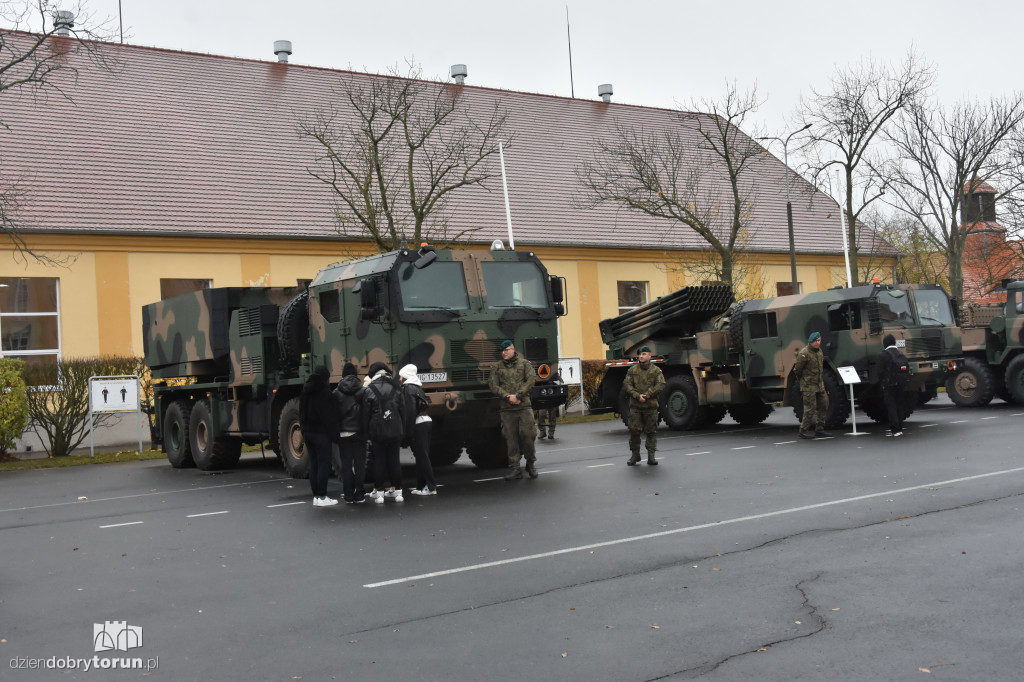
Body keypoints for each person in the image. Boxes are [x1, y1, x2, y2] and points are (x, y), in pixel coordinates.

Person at [488, 339, 538, 480]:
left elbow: (531, 381)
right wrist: (507, 396)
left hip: (523, 407)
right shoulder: (496, 367)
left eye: (507, 350)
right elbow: (493, 385)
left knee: (529, 436)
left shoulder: (525, 364)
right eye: (502, 351)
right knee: (511, 439)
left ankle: (530, 463)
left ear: (513, 349)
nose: (504, 353)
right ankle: (515, 468)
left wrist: (518, 395)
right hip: (507, 409)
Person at [362, 361, 405, 504]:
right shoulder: (397, 387)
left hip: (377, 430)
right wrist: (402, 427)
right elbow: (402, 410)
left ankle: (379, 492)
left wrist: (367, 431)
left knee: (379, 460)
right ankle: (397, 491)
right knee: (394, 460)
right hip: (394, 428)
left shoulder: (370, 388)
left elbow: (366, 412)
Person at [299, 365, 341, 507]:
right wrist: (335, 435)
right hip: (321, 434)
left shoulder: (305, 391)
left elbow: (301, 413)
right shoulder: (325, 393)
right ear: (325, 378)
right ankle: (322, 496)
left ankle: (316, 496)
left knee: (314, 464)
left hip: (307, 433)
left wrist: (304, 430)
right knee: (324, 464)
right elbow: (329, 417)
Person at [399, 364, 438, 496]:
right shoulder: (417, 387)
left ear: (405, 377)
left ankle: (431, 486)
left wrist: (407, 433)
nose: (399, 379)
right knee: (421, 455)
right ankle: (421, 486)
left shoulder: (407, 389)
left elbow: (410, 412)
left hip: (418, 423)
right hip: (426, 421)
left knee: (422, 455)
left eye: (401, 376)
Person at [623, 345, 665, 465]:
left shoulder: (656, 370)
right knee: (634, 432)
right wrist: (637, 395)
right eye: (640, 354)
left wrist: (647, 395)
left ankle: (651, 456)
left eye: (644, 354)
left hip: (650, 407)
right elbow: (627, 384)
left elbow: (660, 384)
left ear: (650, 356)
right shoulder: (633, 370)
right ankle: (635, 455)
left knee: (651, 432)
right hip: (636, 407)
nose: (641, 356)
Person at [334, 362, 367, 503]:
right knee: (359, 464)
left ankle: (348, 495)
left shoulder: (336, 392)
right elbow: (366, 412)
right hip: (359, 433)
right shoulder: (362, 390)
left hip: (343, 433)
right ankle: (359, 494)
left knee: (346, 465)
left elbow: (334, 415)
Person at [793, 331, 828, 439]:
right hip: (808, 386)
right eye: (816, 341)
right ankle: (803, 430)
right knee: (810, 409)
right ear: (811, 342)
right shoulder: (804, 353)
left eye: (819, 340)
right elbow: (797, 370)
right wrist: (804, 380)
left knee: (824, 405)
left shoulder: (819, 352)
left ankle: (820, 429)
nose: (818, 343)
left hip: (819, 384)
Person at [879, 334, 906, 437]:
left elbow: (880, 372)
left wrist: (882, 383)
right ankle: (900, 427)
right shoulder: (901, 354)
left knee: (891, 406)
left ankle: (895, 429)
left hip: (889, 384)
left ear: (885, 343)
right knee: (899, 405)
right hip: (901, 383)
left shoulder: (883, 355)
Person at [535, 376, 562, 440]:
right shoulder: (539, 375)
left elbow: (561, 382)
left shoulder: (554, 374)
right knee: (541, 414)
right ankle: (542, 431)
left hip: (553, 399)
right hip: (542, 399)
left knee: (552, 416)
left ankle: (551, 433)